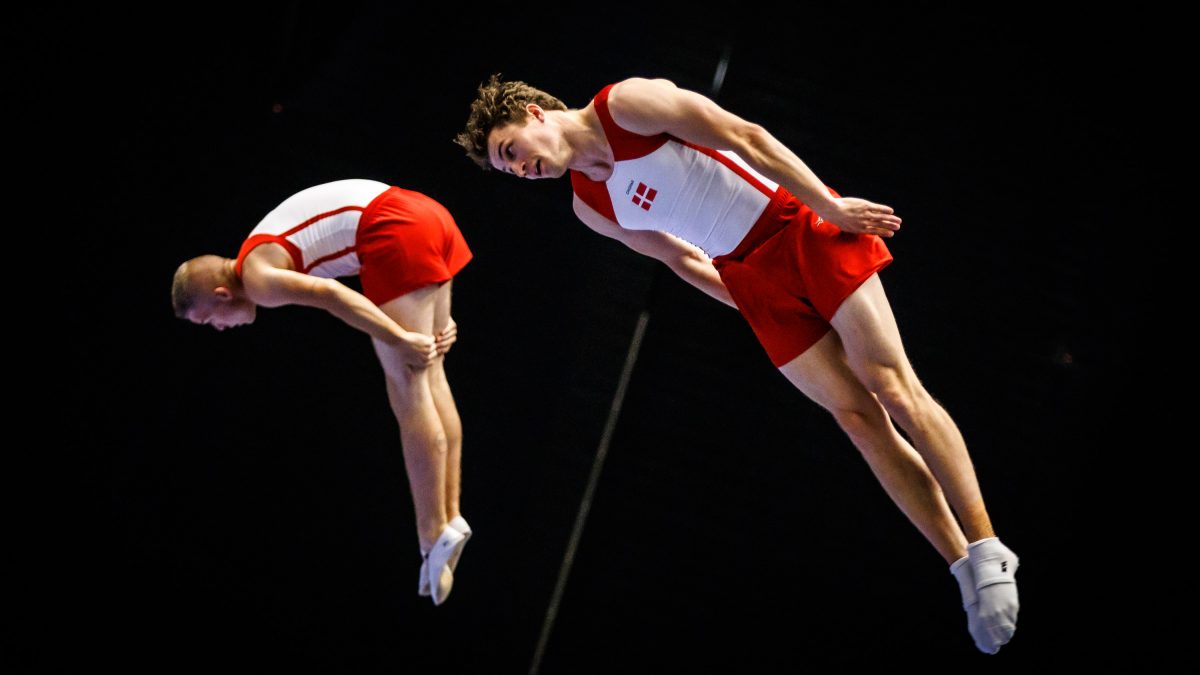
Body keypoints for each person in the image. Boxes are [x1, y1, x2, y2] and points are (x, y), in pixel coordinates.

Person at [456, 76, 1020, 653]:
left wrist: (828, 206)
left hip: (796, 224)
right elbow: (680, 259)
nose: (520, 169)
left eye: (511, 150)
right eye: (509, 170)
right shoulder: (589, 207)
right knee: (857, 420)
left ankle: (988, 548)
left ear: (534, 113)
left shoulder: (625, 105)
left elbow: (746, 136)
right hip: (748, 276)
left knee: (891, 385)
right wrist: (753, 306)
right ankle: (962, 566)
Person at [171, 179, 474, 606]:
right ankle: (450, 518)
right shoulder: (260, 250)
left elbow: (331, 294)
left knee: (408, 388)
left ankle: (431, 535)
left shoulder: (257, 280)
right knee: (433, 374)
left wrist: (398, 337)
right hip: (426, 214)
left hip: (393, 227)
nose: (220, 329)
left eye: (209, 321)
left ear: (221, 296)